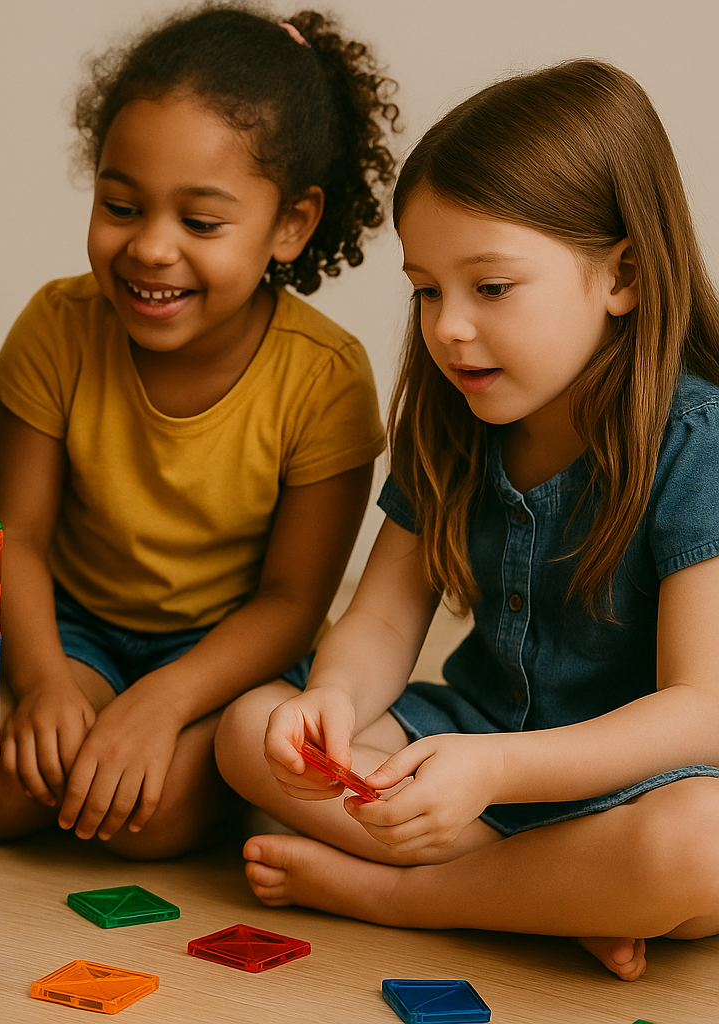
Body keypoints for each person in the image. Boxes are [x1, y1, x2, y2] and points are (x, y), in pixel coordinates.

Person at [215, 59, 719, 982]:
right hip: (465, 740)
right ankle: (549, 895)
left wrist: (497, 773)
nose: (447, 327)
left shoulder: (696, 444)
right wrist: (334, 700)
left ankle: (404, 897)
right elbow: (379, 620)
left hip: (627, 784)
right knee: (252, 728)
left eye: (489, 288)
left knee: (701, 846)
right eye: (425, 289)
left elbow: (703, 712)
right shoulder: (452, 420)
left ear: (626, 275)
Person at [0, 4, 398, 859]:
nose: (151, 249)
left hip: (226, 654)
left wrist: (165, 701)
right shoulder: (57, 326)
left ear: (291, 223)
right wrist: (45, 683)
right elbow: (12, 535)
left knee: (149, 820)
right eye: (121, 205)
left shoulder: (325, 378)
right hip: (73, 627)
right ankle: (100, 723)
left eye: (200, 223)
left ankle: (211, 774)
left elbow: (292, 603)